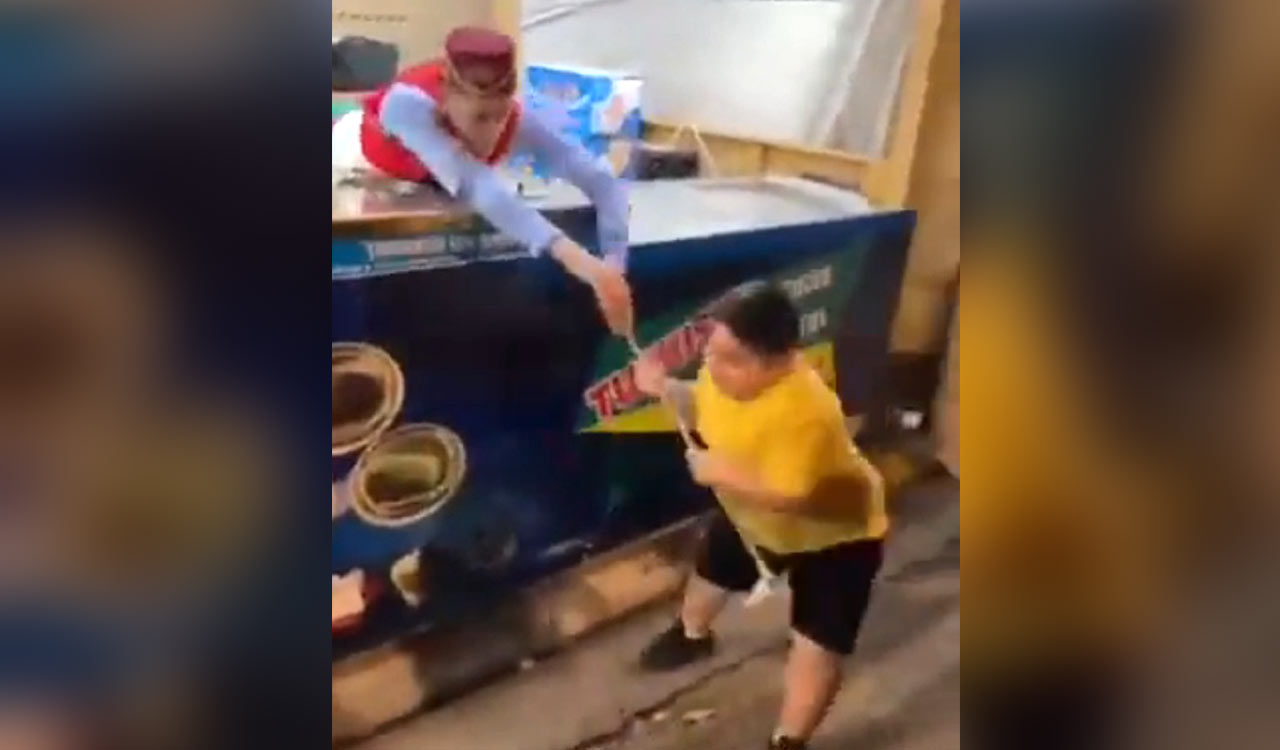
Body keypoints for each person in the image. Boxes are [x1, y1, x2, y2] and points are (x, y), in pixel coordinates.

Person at [632, 282, 888, 750]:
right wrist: (665, 389)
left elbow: (792, 497)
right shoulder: (721, 374)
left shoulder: (807, 411)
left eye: (729, 360)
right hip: (750, 514)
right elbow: (702, 402)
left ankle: (788, 740)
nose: (712, 367)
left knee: (816, 646)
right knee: (711, 573)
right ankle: (692, 635)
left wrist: (719, 471)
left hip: (836, 533)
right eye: (710, 352)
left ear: (777, 361)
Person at [332, 26, 633, 336]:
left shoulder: (515, 119)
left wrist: (614, 266)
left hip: (440, 180)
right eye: (479, 118)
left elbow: (600, 179)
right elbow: (477, 184)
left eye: (499, 116)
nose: (490, 133)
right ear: (446, 97)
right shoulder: (405, 105)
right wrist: (579, 261)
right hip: (356, 163)